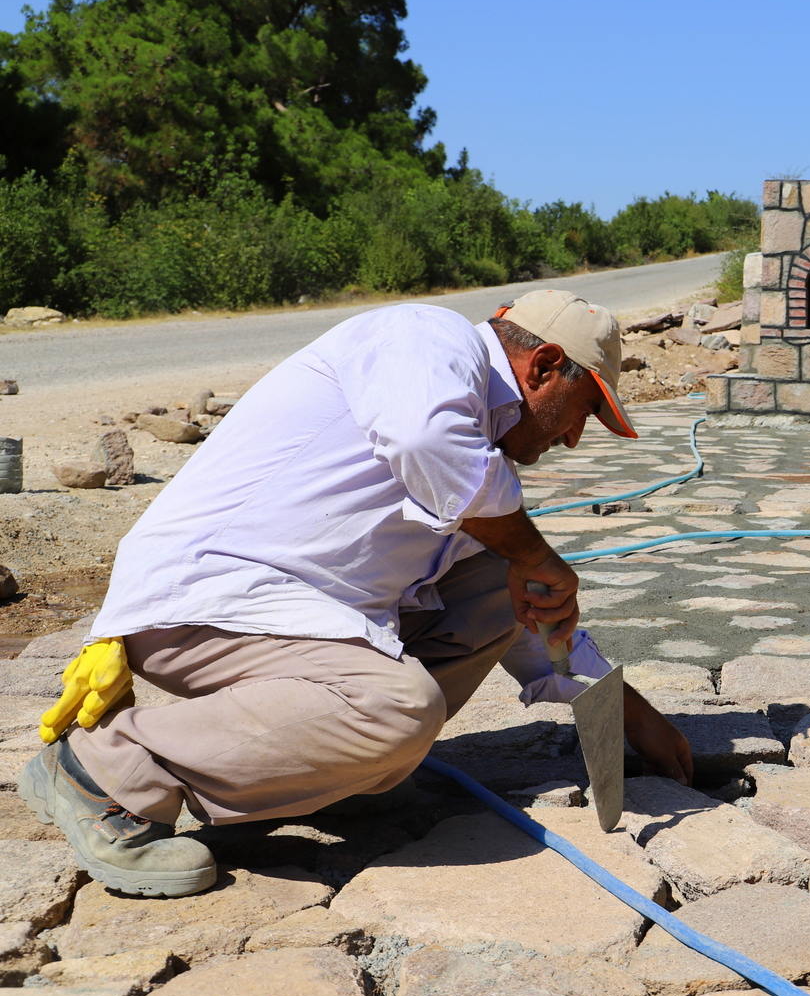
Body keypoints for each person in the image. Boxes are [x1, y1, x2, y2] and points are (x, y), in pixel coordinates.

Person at [20, 290, 693, 898]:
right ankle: (104, 772)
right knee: (400, 708)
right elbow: (425, 439)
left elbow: (523, 610)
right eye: (580, 413)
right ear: (542, 365)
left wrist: (629, 712)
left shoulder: (474, 450)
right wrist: (532, 550)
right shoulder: (428, 339)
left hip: (291, 612)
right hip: (210, 598)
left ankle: (325, 770)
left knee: (498, 579)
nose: (573, 437)